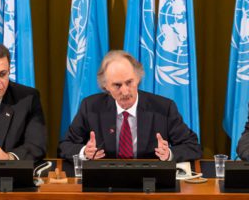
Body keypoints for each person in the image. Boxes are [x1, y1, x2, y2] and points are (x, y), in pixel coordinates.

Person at [58, 50, 202, 162]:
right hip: (106, 183)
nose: (125, 91)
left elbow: (193, 146)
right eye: (117, 85)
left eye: (129, 82)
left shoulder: (163, 108)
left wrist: (169, 154)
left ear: (138, 78)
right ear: (105, 86)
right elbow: (65, 146)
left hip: (149, 184)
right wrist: (84, 152)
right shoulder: (91, 107)